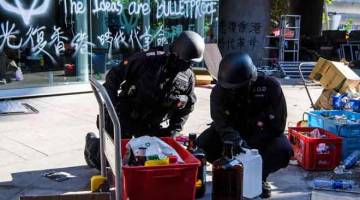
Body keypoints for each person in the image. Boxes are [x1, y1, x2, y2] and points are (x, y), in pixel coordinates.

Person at [85, 31, 205, 170]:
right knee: (108, 162)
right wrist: (112, 111)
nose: (188, 66)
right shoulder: (146, 59)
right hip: (124, 116)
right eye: (186, 61)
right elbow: (113, 77)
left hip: (151, 125)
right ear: (175, 53)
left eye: (191, 62)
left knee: (156, 161)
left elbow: (187, 106)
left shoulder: (187, 77)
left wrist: (173, 132)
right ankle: (92, 144)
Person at [196, 52, 293, 198]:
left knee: (283, 149)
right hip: (231, 137)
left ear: (250, 80)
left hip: (260, 138)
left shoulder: (270, 86)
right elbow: (220, 120)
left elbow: (278, 126)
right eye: (230, 88)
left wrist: (250, 147)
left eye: (237, 88)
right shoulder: (219, 91)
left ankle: (259, 177)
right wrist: (233, 139)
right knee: (201, 146)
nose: (233, 91)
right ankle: (227, 171)